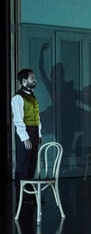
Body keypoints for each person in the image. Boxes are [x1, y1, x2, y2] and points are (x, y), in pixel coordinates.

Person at [11, 69, 42, 204]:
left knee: (31, 164)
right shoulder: (17, 98)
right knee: (23, 165)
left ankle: (29, 194)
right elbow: (18, 120)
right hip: (25, 132)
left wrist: (39, 133)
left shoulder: (32, 96)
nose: (34, 80)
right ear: (24, 81)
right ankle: (21, 196)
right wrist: (25, 138)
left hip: (34, 131)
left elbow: (37, 117)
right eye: (32, 78)